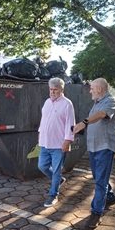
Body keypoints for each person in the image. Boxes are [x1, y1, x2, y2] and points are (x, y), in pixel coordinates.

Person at [73, 78, 115, 229]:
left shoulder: (111, 101)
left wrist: (84, 122)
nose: (90, 91)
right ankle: (110, 197)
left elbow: (101, 115)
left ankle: (96, 213)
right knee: (99, 177)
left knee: (100, 180)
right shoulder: (96, 103)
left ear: (100, 89)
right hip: (93, 147)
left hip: (105, 147)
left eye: (92, 88)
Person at [38, 77, 75, 207]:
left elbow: (70, 124)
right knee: (42, 166)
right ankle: (57, 181)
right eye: (51, 89)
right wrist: (40, 134)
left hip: (59, 145)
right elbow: (44, 120)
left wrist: (67, 141)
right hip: (45, 142)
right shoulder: (47, 102)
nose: (52, 92)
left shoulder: (67, 104)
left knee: (56, 171)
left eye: (55, 89)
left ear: (62, 90)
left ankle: (53, 195)